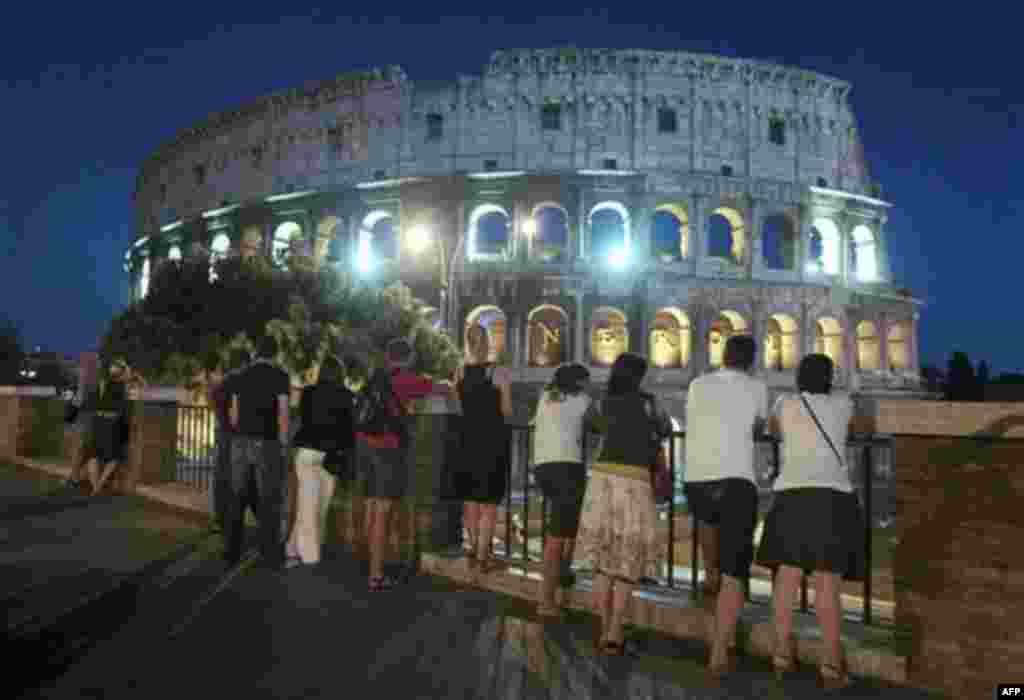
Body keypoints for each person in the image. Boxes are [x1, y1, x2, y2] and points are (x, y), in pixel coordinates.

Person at [756, 354, 869, 690]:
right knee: (826, 585)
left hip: (791, 495)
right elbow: (863, 428)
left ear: (799, 378)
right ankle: (831, 665)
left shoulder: (785, 405)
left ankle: (780, 655)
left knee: (786, 580)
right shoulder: (842, 404)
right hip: (832, 498)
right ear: (830, 378)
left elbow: (773, 430)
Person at [683, 334, 769, 682]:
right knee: (738, 571)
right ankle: (719, 651)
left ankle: (709, 572)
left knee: (707, 521)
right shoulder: (756, 388)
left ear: (723, 356)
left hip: (697, 478)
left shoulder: (697, 383)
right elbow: (758, 428)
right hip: (736, 479)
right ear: (750, 360)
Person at [575, 352, 671, 655]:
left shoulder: (602, 400)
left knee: (603, 561)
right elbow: (666, 429)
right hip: (634, 481)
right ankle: (615, 633)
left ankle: (603, 628)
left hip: (602, 478)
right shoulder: (649, 402)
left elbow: (589, 424)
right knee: (628, 560)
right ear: (639, 376)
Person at [358, 338, 448, 591]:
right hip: (386, 449)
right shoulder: (406, 379)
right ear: (408, 358)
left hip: (364, 446)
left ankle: (366, 562)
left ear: (388, 356)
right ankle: (375, 575)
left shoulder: (376, 376)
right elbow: (441, 388)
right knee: (383, 511)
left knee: (372, 506)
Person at [531, 362, 593, 618]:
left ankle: (564, 573)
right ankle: (545, 601)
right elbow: (599, 424)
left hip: (544, 467)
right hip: (567, 468)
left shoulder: (546, 397)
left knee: (565, 526)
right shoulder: (581, 399)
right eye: (586, 380)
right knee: (557, 535)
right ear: (579, 382)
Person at [450, 324, 513, 575]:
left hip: (466, 443)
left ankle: (473, 549)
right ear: (488, 342)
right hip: (491, 443)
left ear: (467, 342)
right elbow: (507, 410)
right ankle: (483, 556)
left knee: (470, 502)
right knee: (488, 503)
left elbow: (457, 408)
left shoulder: (459, 372)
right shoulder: (498, 372)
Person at [226, 335, 291, 570]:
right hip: (267, 443)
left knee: (237, 496)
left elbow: (233, 415)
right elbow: (283, 414)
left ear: (256, 351)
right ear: (275, 354)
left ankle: (231, 551)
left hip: (240, 441)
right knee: (268, 498)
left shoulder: (239, 377)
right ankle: (269, 553)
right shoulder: (280, 377)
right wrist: (283, 445)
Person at [285, 354, 354, 567]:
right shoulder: (346, 396)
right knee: (318, 507)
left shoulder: (308, 393)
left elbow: (303, 420)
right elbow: (348, 430)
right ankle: (310, 557)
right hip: (330, 457)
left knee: (308, 506)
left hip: (307, 453)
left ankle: (293, 548)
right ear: (341, 374)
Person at [206, 348, 251, 532]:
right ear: (244, 363)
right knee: (236, 478)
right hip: (236, 434)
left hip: (223, 433)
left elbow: (213, 405)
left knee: (222, 478)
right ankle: (231, 520)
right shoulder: (242, 381)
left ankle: (219, 519)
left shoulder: (223, 382)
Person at [86, 360, 132, 496]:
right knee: (115, 456)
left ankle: (95, 486)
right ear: (122, 373)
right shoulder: (124, 386)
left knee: (93, 454)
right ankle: (99, 485)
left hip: (98, 420)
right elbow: (142, 387)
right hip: (113, 421)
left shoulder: (102, 383)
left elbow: (94, 399)